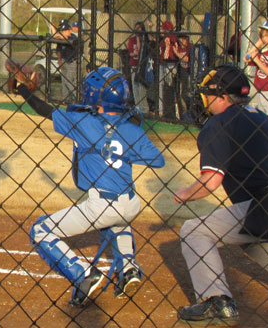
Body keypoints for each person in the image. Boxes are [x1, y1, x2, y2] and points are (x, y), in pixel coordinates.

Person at [12, 66, 165, 306]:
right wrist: (127, 132)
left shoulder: (84, 121)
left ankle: (83, 273)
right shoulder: (131, 129)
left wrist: (22, 90)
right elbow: (158, 160)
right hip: (131, 203)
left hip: (101, 205)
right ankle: (129, 269)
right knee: (116, 223)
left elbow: (45, 110)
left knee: (40, 231)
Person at [174, 65, 268, 327]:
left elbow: (211, 181)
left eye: (208, 94)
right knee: (253, 238)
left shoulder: (219, 124)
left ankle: (216, 301)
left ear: (222, 97)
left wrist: (184, 193)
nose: (204, 100)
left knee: (193, 231)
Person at [50, 19, 79, 102]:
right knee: (64, 81)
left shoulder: (73, 37)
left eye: (66, 30)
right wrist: (59, 61)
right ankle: (65, 99)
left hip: (73, 62)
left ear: (69, 30)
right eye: (63, 30)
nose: (64, 32)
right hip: (64, 61)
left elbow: (62, 37)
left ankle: (78, 97)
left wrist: (54, 31)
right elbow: (58, 50)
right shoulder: (60, 38)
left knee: (69, 81)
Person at [158, 20, 178, 119]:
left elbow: (167, 56)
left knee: (168, 87)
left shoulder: (172, 38)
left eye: (163, 29)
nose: (161, 30)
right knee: (161, 86)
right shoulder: (163, 39)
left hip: (170, 64)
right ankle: (161, 111)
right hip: (163, 64)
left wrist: (168, 46)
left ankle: (169, 111)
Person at [128, 22, 148, 114]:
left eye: (139, 28)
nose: (137, 30)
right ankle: (138, 107)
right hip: (133, 65)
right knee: (134, 86)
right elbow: (131, 53)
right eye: (136, 28)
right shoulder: (131, 40)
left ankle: (144, 108)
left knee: (141, 88)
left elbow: (140, 51)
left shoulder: (144, 40)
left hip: (141, 66)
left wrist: (138, 39)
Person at [172, 31, 192, 119]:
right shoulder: (178, 48)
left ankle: (189, 111)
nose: (181, 40)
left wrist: (177, 53)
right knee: (181, 94)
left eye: (183, 38)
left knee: (187, 94)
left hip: (189, 73)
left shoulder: (190, 47)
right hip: (181, 74)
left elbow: (187, 59)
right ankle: (183, 114)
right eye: (180, 38)